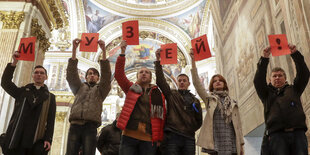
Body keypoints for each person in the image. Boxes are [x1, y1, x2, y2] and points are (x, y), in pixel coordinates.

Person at [254, 44, 310, 155]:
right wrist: (264, 59)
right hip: (276, 136)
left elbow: (304, 74)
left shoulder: (294, 89)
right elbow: (258, 80)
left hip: (298, 133)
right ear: (270, 80)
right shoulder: (266, 94)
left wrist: (295, 54)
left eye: (280, 75)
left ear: (285, 79)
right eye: (274, 76)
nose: (277, 78)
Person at [115, 40, 166, 155]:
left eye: (147, 72)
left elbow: (161, 117)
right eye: (141, 72)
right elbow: (119, 75)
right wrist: (122, 52)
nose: (144, 73)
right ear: (137, 76)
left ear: (150, 77)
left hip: (148, 137)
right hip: (129, 135)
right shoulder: (131, 89)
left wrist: (159, 138)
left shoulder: (157, 94)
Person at [189, 49, 244, 155]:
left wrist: (241, 145)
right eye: (215, 81)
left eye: (220, 80)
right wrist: (193, 61)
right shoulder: (209, 99)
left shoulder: (233, 102)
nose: (218, 82)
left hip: (231, 139)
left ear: (224, 84)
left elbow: (238, 125)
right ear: (212, 85)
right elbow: (196, 83)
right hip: (216, 138)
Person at [1, 52, 56, 155]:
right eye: (36, 72)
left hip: (35, 138)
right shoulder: (22, 92)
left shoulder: (50, 97)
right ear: (33, 76)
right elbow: (5, 82)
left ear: (46, 77)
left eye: (42, 73)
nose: (39, 74)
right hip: (18, 135)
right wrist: (14, 63)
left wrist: (48, 139)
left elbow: (51, 120)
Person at [66, 38, 112, 155]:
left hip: (90, 127)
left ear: (98, 78)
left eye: (95, 74)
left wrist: (104, 51)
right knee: (70, 153)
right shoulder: (79, 88)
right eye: (89, 74)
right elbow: (71, 74)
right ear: (85, 77)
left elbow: (106, 76)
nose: (92, 75)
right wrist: (74, 50)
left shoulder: (101, 90)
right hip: (75, 125)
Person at [155, 49, 202, 155]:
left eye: (184, 80)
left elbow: (199, 121)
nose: (181, 82)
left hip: (189, 137)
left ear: (188, 83)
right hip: (173, 136)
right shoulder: (171, 94)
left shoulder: (195, 100)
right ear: (177, 83)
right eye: (179, 80)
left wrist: (190, 128)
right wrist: (158, 61)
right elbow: (160, 81)